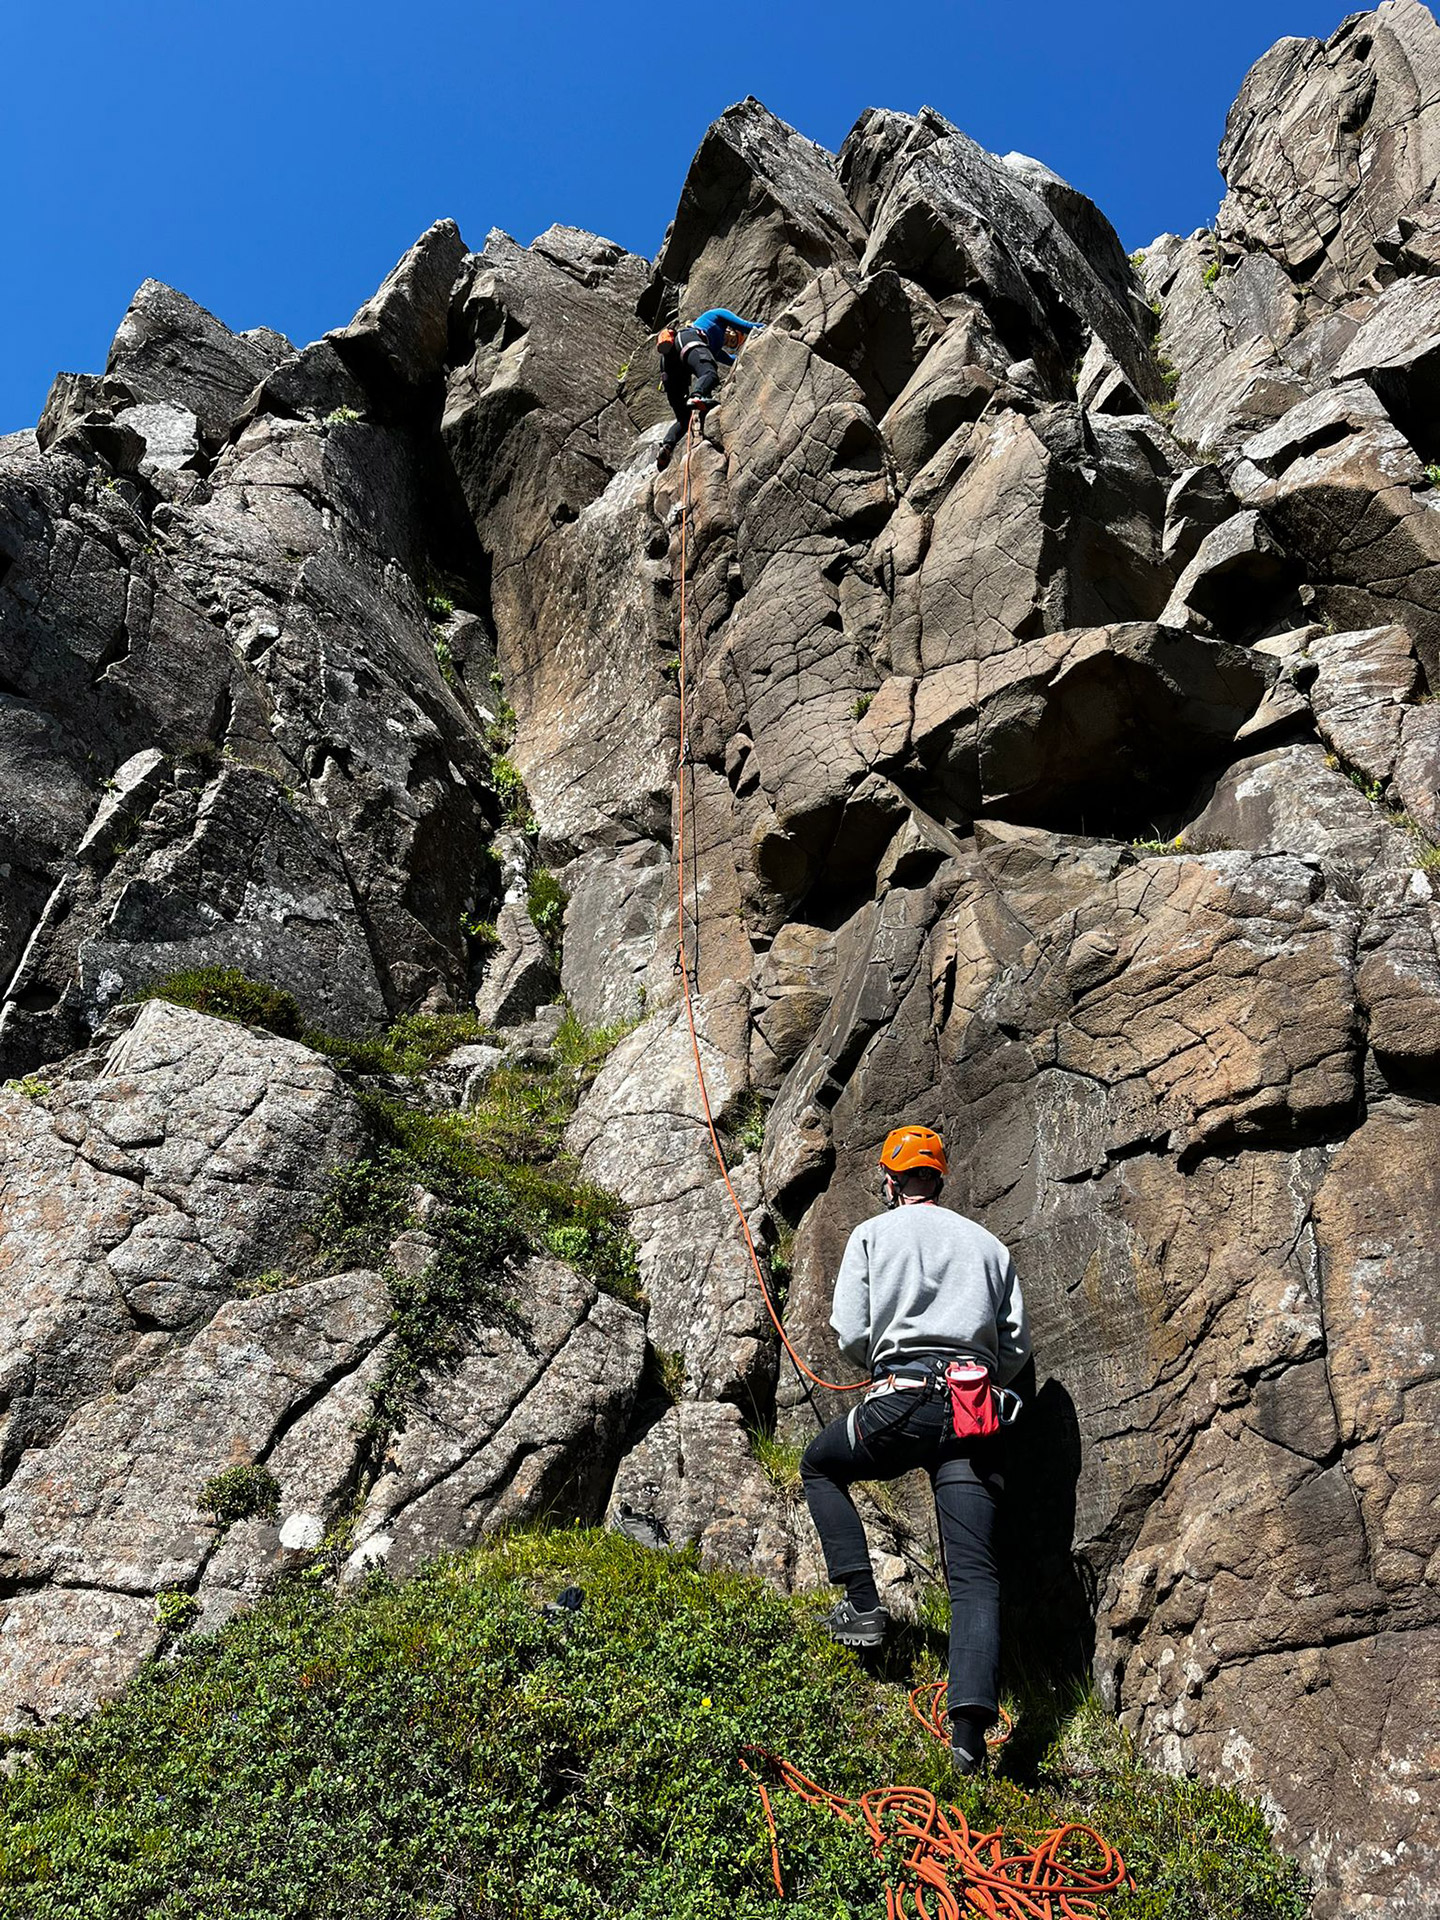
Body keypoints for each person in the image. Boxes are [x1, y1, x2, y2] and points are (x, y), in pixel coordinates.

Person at [799, 1124, 1030, 1775]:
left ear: (891, 1180)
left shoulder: (874, 1235)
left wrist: (886, 1359)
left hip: (901, 1400)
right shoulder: (987, 1246)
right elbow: (1014, 1352)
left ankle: (862, 1606)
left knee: (820, 1465)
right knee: (976, 1577)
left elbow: (849, 1330)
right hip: (974, 1409)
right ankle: (967, 1739)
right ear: (940, 1177)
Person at [655, 307, 765, 469]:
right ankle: (698, 395)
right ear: (731, 330)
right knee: (710, 374)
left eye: (733, 344)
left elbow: (732, 360)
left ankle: (667, 446)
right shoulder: (717, 315)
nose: (729, 342)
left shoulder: (714, 348)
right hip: (687, 339)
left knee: (684, 418)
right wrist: (767, 328)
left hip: (669, 364)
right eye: (734, 338)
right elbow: (748, 326)